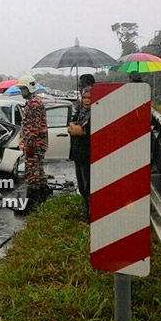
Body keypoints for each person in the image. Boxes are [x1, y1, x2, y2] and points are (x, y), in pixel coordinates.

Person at [15, 75, 50, 209]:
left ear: (29, 88)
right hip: (37, 144)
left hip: (34, 145)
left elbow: (33, 127)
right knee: (39, 173)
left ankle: (33, 203)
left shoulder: (34, 104)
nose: (21, 92)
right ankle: (42, 200)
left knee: (32, 174)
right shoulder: (34, 102)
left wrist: (29, 145)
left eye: (22, 89)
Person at [68, 86, 92, 222]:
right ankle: (85, 210)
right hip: (77, 153)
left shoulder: (96, 113)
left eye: (89, 98)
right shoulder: (80, 112)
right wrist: (76, 129)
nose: (87, 101)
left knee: (88, 186)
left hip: (87, 154)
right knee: (82, 186)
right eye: (84, 98)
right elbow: (70, 126)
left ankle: (90, 215)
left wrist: (78, 130)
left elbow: (79, 130)